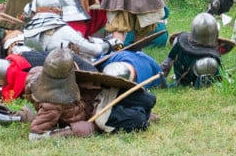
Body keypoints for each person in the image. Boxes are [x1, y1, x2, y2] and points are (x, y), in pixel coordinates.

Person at [25, 48, 157, 140]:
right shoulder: (51, 102)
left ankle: (139, 112)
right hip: (98, 114)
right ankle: (144, 116)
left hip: (100, 95)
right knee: (138, 118)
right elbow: (36, 136)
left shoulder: (38, 72)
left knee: (148, 99)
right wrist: (73, 131)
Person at [160, 13, 223, 87]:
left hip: (185, 81)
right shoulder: (209, 61)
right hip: (186, 81)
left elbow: (166, 64)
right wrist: (159, 76)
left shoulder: (178, 42)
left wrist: (159, 75)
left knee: (207, 64)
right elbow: (168, 62)